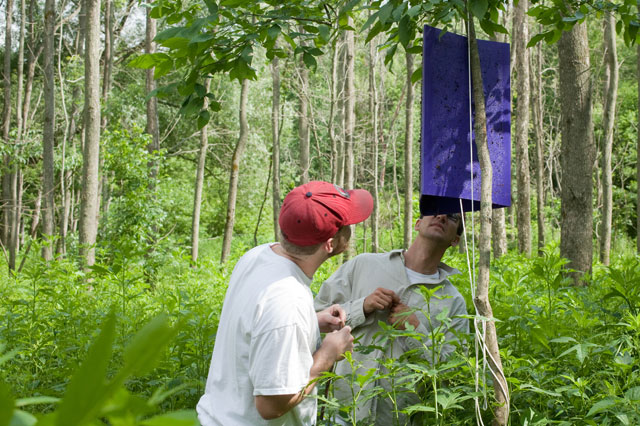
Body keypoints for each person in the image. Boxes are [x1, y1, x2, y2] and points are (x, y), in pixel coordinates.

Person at [196, 181, 374, 426]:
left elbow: (259, 324)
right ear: (331, 244)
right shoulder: (287, 301)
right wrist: (327, 355)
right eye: (349, 223)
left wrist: (311, 322)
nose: (353, 228)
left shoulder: (258, 256)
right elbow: (271, 405)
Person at [314, 212, 469, 425]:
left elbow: (453, 371)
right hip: (341, 414)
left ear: (455, 240)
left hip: (400, 420)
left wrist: (415, 329)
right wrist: (362, 306)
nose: (441, 216)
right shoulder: (363, 265)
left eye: (452, 217)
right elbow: (313, 320)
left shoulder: (453, 301)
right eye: (434, 210)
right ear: (417, 223)